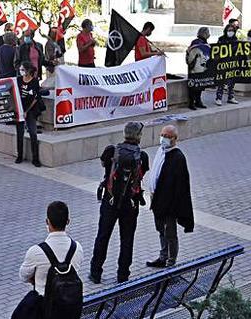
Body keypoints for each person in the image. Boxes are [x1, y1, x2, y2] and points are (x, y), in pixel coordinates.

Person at [89, 122, 149, 284]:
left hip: (110, 200)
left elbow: (104, 165)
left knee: (103, 236)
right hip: (131, 203)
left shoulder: (111, 151)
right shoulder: (142, 156)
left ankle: (95, 273)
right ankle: (123, 274)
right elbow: (142, 174)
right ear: (139, 136)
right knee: (127, 239)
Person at [17, 201, 83, 306]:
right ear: (68, 221)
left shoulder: (35, 251)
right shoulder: (77, 248)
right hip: (69, 308)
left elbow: (23, 276)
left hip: (43, 309)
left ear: (47, 222)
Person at [145, 126, 194, 268]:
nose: (163, 138)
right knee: (161, 230)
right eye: (162, 135)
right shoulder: (161, 151)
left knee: (170, 233)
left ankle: (171, 261)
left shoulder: (178, 157)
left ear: (174, 138)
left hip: (169, 204)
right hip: (157, 200)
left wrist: (174, 207)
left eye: (167, 136)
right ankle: (163, 256)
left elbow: (181, 186)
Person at [16, 64, 48, 167]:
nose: (21, 71)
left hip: (30, 110)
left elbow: (35, 98)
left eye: (23, 69)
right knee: (19, 133)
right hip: (20, 110)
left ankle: (35, 158)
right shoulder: (18, 80)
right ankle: (19, 155)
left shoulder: (34, 82)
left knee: (33, 133)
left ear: (28, 71)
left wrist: (27, 111)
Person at [186, 27, 212, 110]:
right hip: (194, 69)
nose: (209, 34)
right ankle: (191, 103)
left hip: (201, 68)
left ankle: (198, 101)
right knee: (193, 86)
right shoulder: (196, 42)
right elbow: (191, 54)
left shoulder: (205, 43)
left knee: (200, 85)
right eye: (207, 32)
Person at [214, 24, 239, 107]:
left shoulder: (235, 40)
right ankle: (219, 98)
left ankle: (231, 97)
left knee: (231, 81)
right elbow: (217, 50)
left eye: (232, 30)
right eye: (229, 30)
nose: (230, 32)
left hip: (232, 63)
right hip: (223, 63)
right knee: (222, 81)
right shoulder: (221, 39)